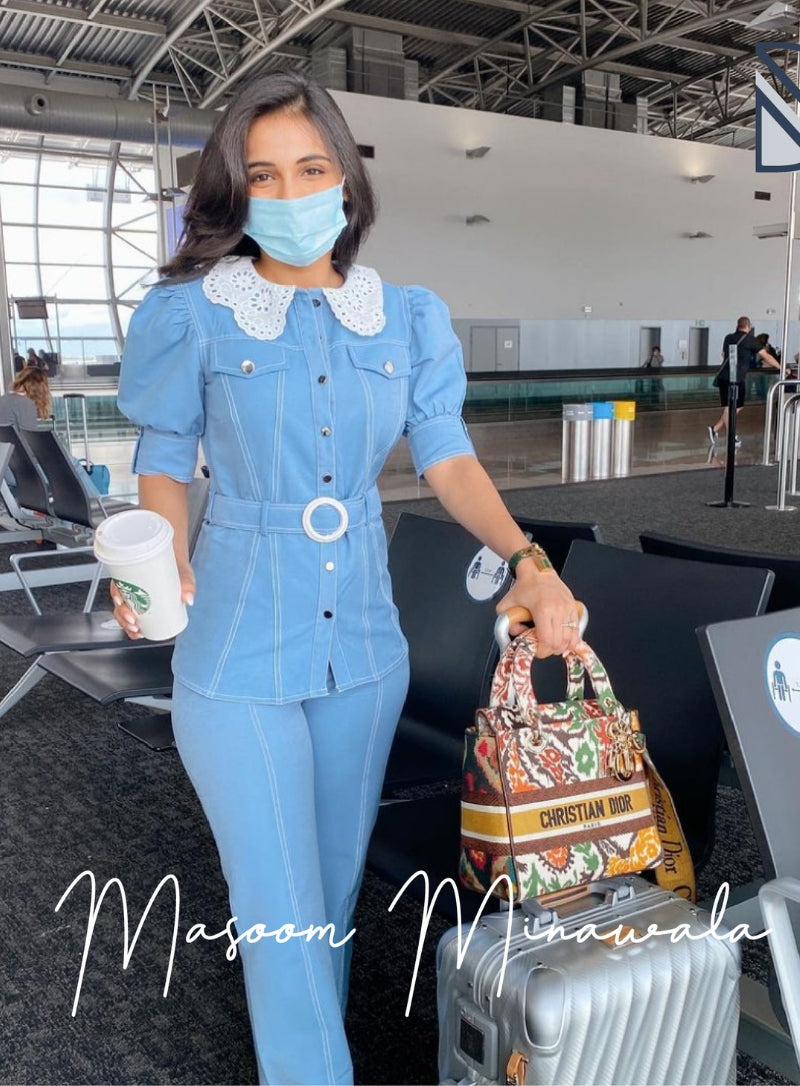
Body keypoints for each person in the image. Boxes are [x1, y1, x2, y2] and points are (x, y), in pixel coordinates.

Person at [111, 71, 581, 1086]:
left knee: (325, 900)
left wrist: (529, 560)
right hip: (235, 649)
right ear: (234, 191)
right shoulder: (193, 315)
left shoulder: (406, 317)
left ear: (346, 181)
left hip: (363, 653)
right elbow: (165, 455)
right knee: (278, 915)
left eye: (310, 168)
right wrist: (161, 553)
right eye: (262, 175)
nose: (289, 194)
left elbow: (446, 454)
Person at [709, 316, 780, 446]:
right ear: (748, 326)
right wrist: (781, 367)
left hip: (725, 377)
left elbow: (723, 354)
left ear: (738, 325)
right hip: (735, 379)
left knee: (736, 407)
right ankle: (731, 437)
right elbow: (767, 357)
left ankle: (714, 429)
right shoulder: (750, 340)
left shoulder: (728, 337)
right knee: (730, 408)